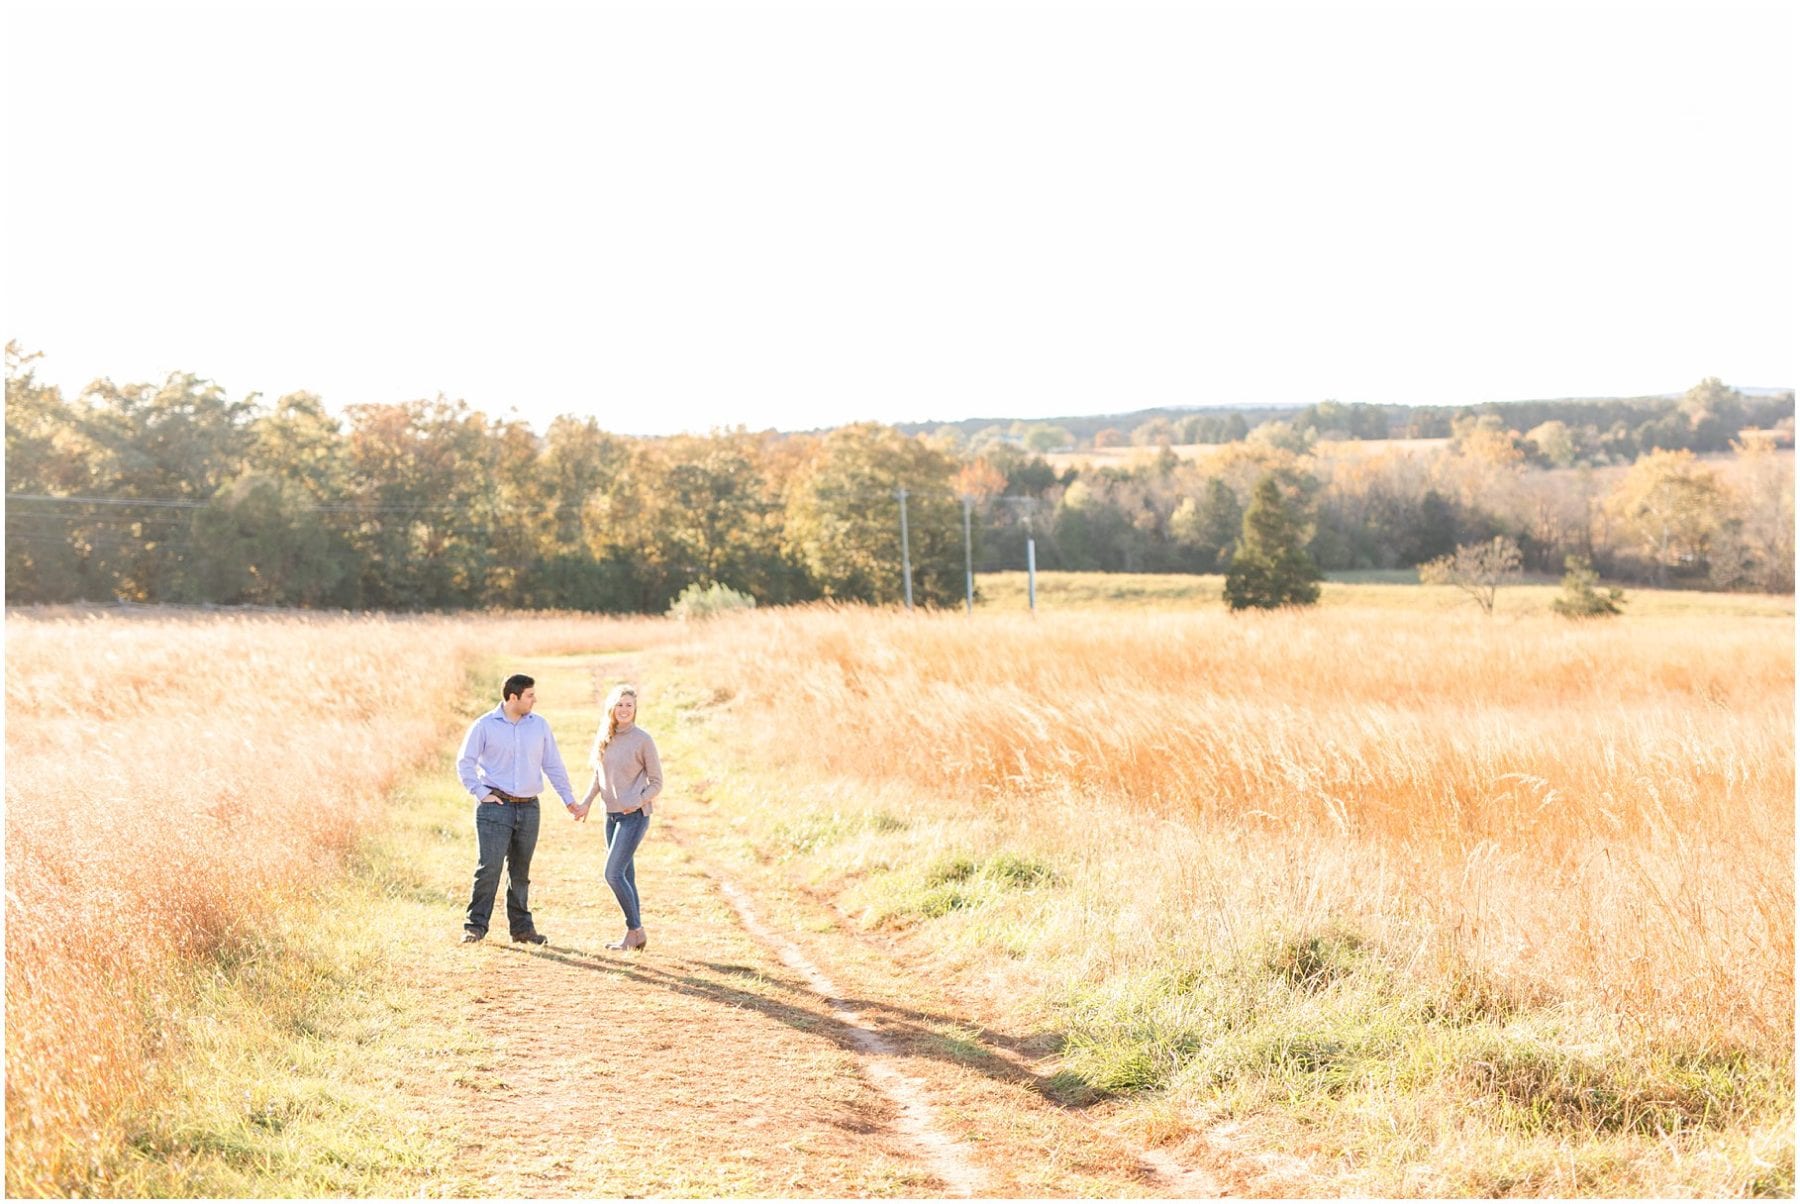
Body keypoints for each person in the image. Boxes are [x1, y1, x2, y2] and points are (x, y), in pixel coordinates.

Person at [458, 673, 579, 944]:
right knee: (489, 868)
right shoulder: (485, 726)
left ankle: (522, 930)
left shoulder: (539, 726)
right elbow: (465, 762)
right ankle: (475, 927)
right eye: (530, 695)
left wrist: (568, 799)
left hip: (529, 808)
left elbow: (553, 765)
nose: (535, 700)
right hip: (495, 807)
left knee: (521, 871)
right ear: (513, 697)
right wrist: (480, 792)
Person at [577, 683, 662, 951]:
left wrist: (635, 801)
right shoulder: (606, 736)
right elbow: (598, 776)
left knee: (612, 873)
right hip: (610, 817)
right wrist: (586, 803)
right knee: (626, 875)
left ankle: (636, 929)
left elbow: (657, 782)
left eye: (629, 705)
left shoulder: (643, 739)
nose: (624, 710)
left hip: (634, 816)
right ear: (611, 708)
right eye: (620, 705)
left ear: (635, 709)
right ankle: (634, 935)